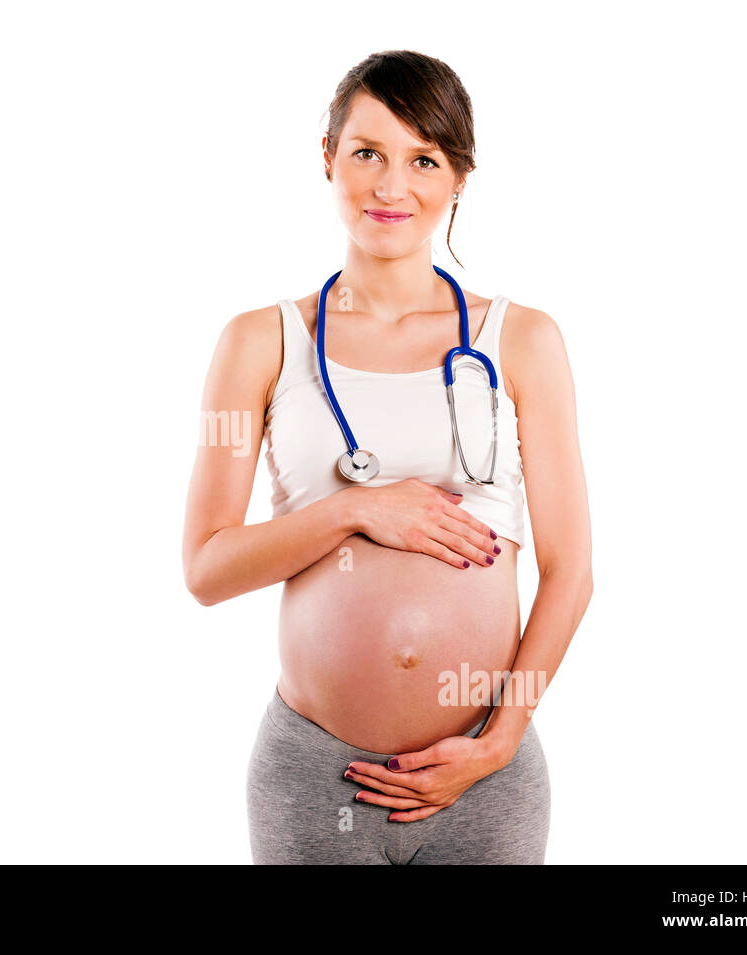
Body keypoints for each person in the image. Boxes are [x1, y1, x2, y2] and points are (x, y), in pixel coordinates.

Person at [182, 50, 594, 864]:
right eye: (367, 152)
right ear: (328, 157)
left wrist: (500, 738)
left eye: (424, 160)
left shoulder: (526, 342)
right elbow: (206, 567)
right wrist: (357, 508)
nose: (390, 186)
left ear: (459, 178)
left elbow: (571, 569)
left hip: (484, 771)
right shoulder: (258, 344)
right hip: (312, 771)